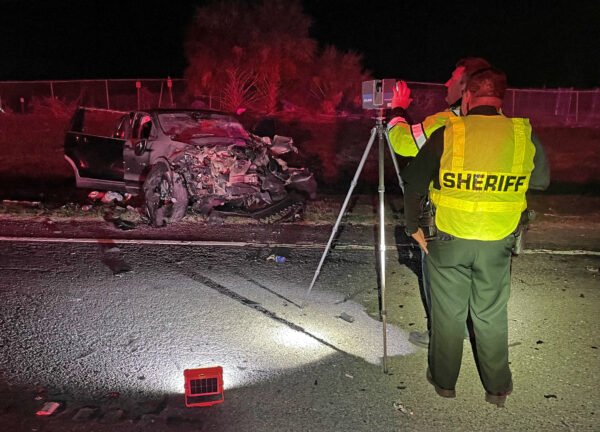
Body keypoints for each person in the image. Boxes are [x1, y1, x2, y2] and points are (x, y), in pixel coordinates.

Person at [401, 67, 550, 406]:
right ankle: (497, 388)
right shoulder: (522, 135)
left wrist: (413, 228)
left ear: (467, 97)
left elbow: (413, 181)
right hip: (498, 241)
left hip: (448, 240)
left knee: (448, 315)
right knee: (491, 314)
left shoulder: (449, 132)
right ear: (502, 99)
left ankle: (444, 382)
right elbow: (540, 180)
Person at [389, 58, 491, 348]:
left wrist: (397, 109)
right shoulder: (501, 123)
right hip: (490, 221)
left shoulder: (444, 121)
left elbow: (402, 142)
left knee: (441, 280)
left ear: (465, 87)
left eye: (452, 78)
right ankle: (474, 329)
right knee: (477, 281)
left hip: (447, 220)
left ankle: (441, 335)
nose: (446, 83)